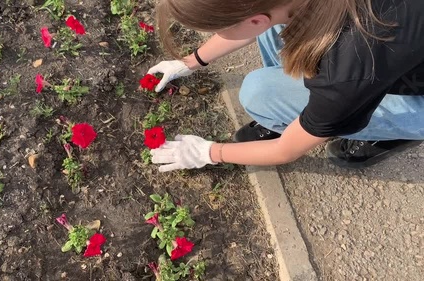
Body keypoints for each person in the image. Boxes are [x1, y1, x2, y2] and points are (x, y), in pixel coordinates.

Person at [147, 0, 424, 172]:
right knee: (278, 24)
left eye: (221, 29)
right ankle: (290, 116)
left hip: (413, 92)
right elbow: (257, 15)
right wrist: (190, 61)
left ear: (254, 20)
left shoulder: (348, 66)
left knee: (259, 93)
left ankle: (395, 132)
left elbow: (286, 150)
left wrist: (209, 152)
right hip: (401, 48)